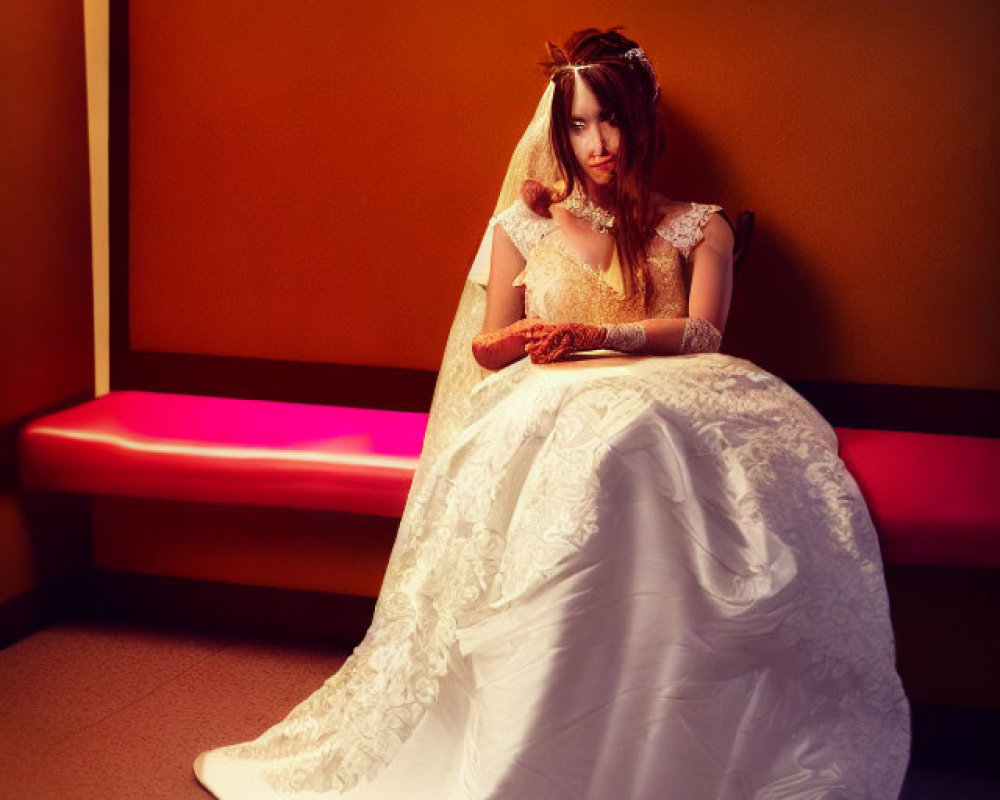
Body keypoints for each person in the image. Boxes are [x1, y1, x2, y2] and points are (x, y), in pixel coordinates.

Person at [194, 28, 910, 799]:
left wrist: (599, 335)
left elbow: (704, 332)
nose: (597, 142)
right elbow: (486, 347)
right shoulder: (521, 226)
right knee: (589, 449)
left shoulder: (701, 225)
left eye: (611, 119)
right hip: (552, 399)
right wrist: (529, 339)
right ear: (556, 131)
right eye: (576, 124)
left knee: (634, 435)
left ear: (644, 118)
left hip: (674, 397)